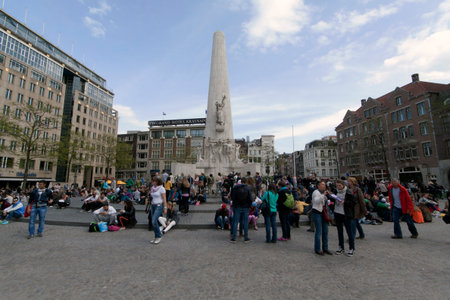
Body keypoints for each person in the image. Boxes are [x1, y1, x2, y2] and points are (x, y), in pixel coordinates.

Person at [331, 180, 355, 256]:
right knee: (339, 231)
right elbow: (331, 200)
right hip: (337, 212)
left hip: (346, 214)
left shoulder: (348, 192)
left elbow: (353, 203)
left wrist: (345, 202)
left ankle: (351, 248)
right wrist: (331, 197)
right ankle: (341, 247)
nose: (338, 187)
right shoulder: (335, 191)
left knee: (349, 231)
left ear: (343, 185)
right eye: (337, 185)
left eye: (340, 185)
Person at [311, 181, 332, 255]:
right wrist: (323, 195)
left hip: (324, 212)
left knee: (325, 231)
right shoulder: (315, 192)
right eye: (322, 185)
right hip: (317, 212)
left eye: (324, 185)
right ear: (318, 186)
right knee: (319, 231)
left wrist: (330, 198)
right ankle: (317, 248)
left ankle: (325, 248)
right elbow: (316, 201)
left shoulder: (325, 193)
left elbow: (328, 202)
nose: (324, 186)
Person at [230, 177, 252, 243]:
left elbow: (232, 198)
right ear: (246, 182)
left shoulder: (235, 188)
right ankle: (246, 238)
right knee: (245, 222)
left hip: (237, 207)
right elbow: (250, 198)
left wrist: (235, 204)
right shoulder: (248, 188)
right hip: (245, 207)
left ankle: (234, 238)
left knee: (235, 222)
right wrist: (249, 205)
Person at [150, 177, 167, 244]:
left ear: (157, 182)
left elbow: (164, 198)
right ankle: (156, 236)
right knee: (154, 221)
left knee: (154, 220)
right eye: (152, 181)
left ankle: (159, 235)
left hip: (159, 205)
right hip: (153, 205)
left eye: (154, 181)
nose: (153, 182)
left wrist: (165, 208)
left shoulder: (162, 188)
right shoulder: (152, 188)